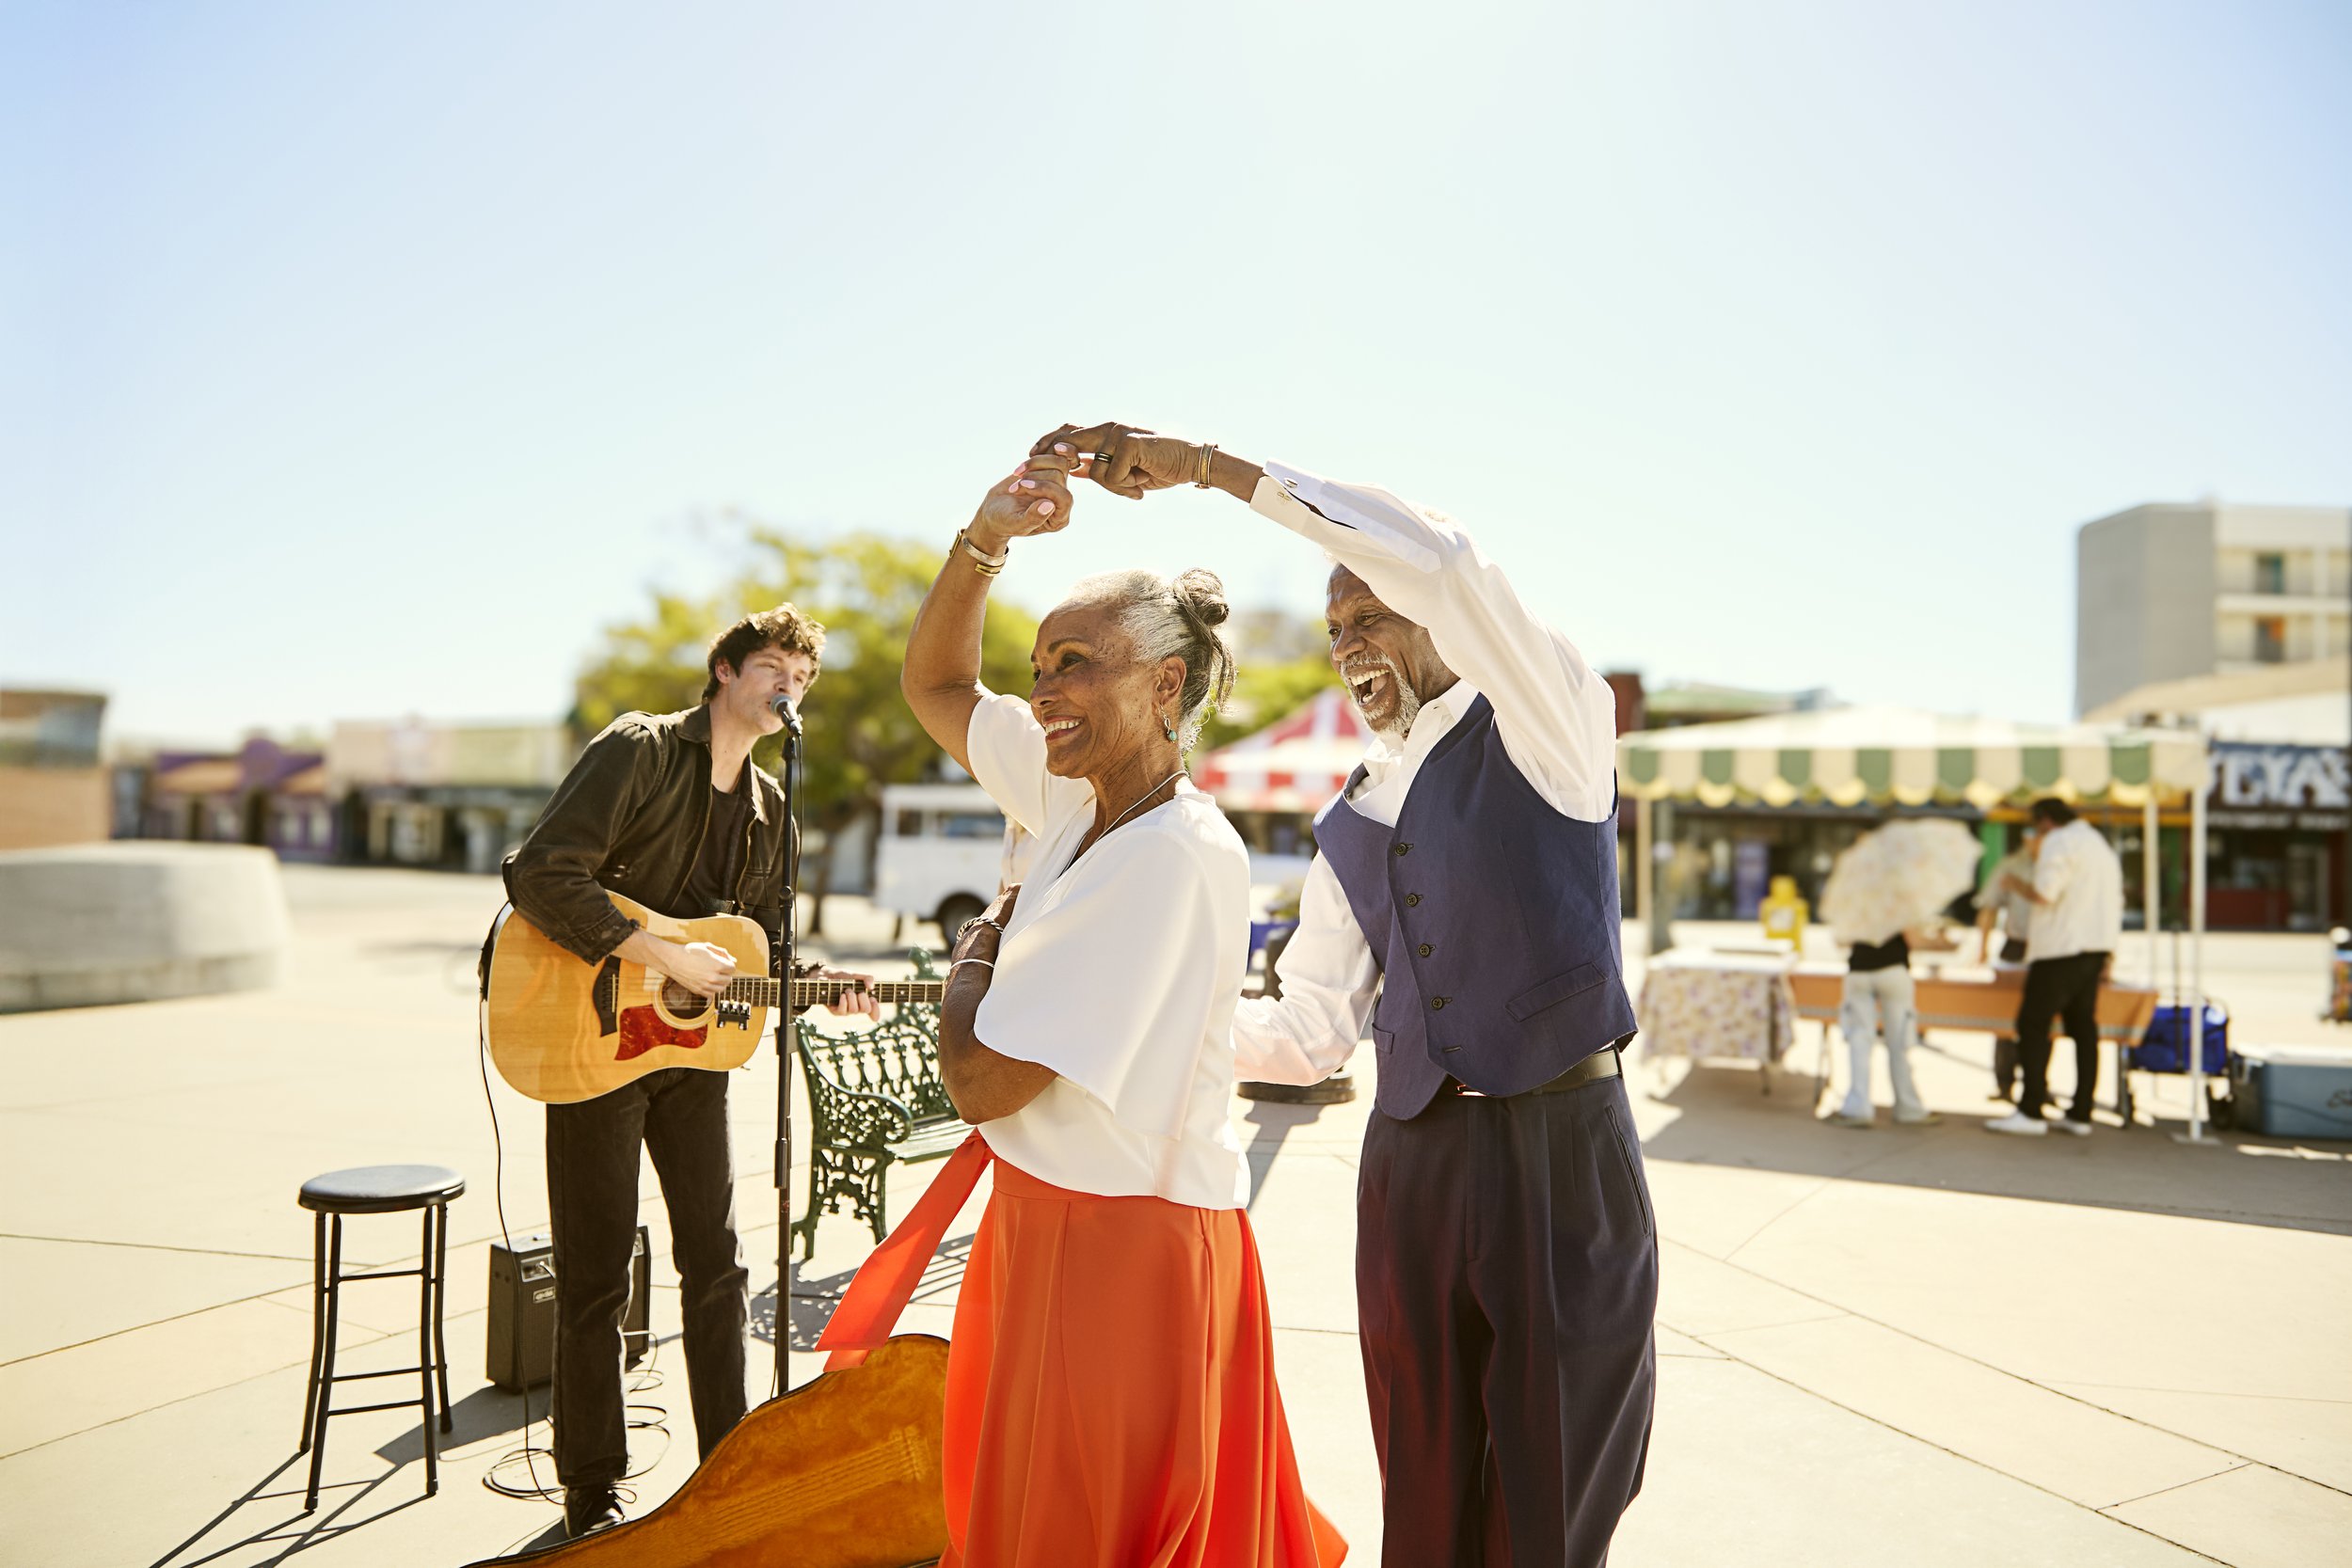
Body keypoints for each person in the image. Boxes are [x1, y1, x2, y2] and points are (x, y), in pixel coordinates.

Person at [1033, 421, 1654, 1567]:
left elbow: (1451, 563)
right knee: (1419, 1484)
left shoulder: (1549, 716)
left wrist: (1208, 469)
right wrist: (1131, 1031)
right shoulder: (1357, 809)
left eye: (1367, 614)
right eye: (1331, 630)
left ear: (1432, 622)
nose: (1345, 644)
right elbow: (1310, 1030)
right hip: (1408, 1160)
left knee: (1553, 1488)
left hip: (1558, 1147)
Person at [846, 450, 1341, 1566]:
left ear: (1165, 686)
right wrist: (984, 542)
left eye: (1075, 663)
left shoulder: (1168, 849)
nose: (1044, 690)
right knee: (1027, 1513)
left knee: (1083, 1525)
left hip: (1121, 1244)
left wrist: (979, 947)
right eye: (1040, 665)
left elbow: (981, 1081)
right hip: (1054, 1213)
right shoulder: (1077, 794)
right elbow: (937, 686)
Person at [502, 608, 877, 1538]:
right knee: (595, 1276)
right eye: (767, 664)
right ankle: (593, 1485)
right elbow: (541, 871)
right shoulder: (638, 750)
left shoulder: (770, 806)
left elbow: (759, 948)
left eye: (800, 671)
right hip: (588, 1037)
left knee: (717, 1262)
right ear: (723, 671)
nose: (785, 682)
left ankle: (730, 1460)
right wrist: (661, 952)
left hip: (688, 1057)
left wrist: (818, 983)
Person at [1986, 798, 2123, 1137]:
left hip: (2060, 948)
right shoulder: (2098, 844)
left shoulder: (2060, 841)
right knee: (2083, 1030)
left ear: (2045, 821)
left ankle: (2031, 1109)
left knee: (2032, 1024)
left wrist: (2015, 883)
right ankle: (2080, 1113)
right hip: (2094, 949)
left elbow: (2046, 893)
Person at [1825, 922, 1953, 1129]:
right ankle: (1909, 1107)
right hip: (1894, 971)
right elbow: (1914, 940)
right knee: (1899, 1042)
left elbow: (1841, 940)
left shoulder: (1852, 900)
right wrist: (1941, 942)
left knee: (1860, 1040)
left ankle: (1858, 1107)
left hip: (1859, 971)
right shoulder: (1896, 897)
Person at [1974, 836, 2038, 1101]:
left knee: (2041, 1021)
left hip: (2047, 947)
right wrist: (1982, 948)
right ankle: (2004, 1082)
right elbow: (1989, 906)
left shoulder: (2060, 864)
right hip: (2015, 945)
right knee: (2004, 1017)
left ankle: (2037, 1084)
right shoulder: (2011, 865)